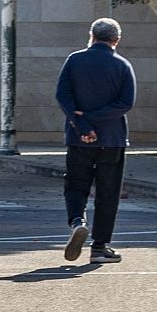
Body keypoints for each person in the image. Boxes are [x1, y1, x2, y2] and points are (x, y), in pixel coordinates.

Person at [55, 17, 136, 263]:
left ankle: (78, 221)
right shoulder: (123, 65)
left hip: (79, 138)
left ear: (91, 36)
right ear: (116, 40)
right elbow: (126, 103)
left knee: (76, 184)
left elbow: (62, 95)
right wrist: (95, 120)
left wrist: (83, 123)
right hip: (112, 138)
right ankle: (100, 248)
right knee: (108, 192)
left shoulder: (74, 60)